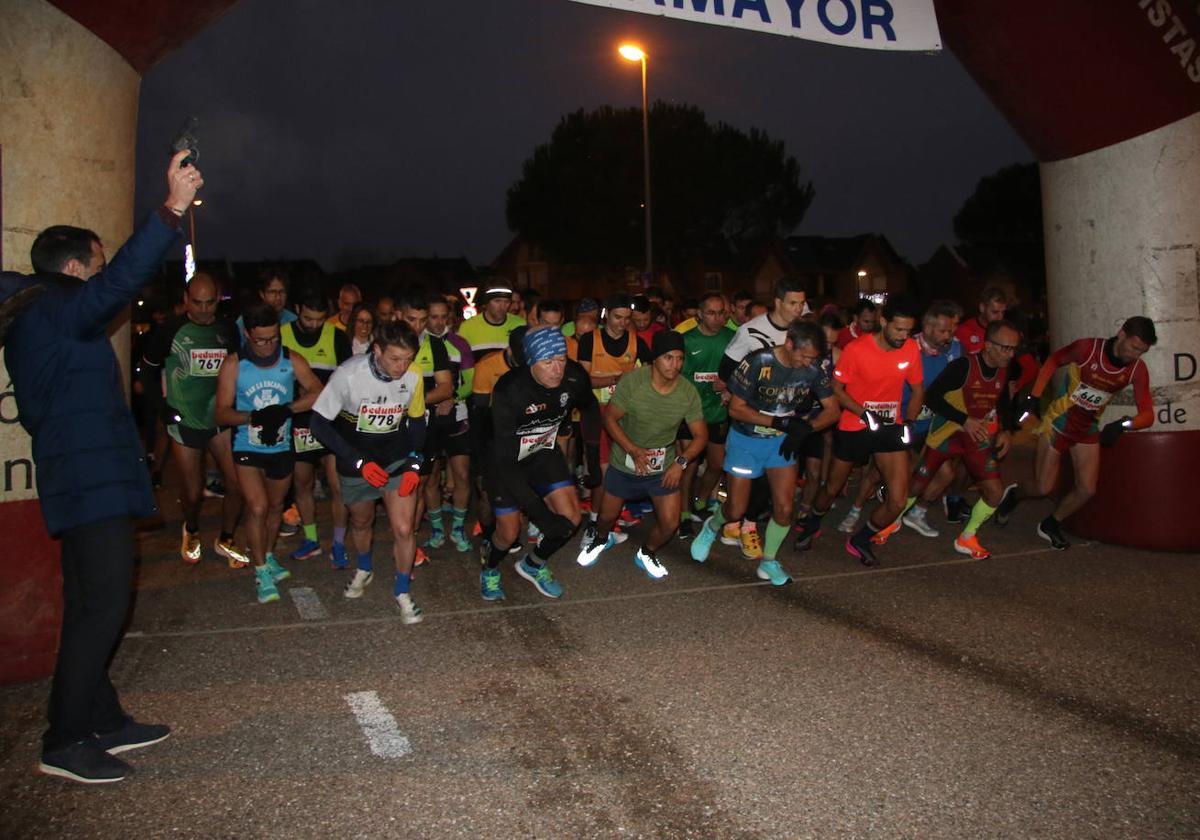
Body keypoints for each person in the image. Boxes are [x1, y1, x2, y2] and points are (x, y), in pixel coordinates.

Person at [0, 150, 198, 783]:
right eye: (98, 260)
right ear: (77, 266)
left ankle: (104, 717)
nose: (103, 272)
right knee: (104, 605)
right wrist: (170, 210)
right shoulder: (58, 307)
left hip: (86, 475)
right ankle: (63, 740)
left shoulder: (43, 315)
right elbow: (120, 283)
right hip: (89, 481)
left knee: (93, 600)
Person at [689, 320, 839, 583]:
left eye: (813, 358)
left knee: (784, 508)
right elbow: (735, 409)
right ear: (789, 343)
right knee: (735, 509)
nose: (808, 363)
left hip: (781, 444)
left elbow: (833, 410)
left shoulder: (813, 368)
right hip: (746, 440)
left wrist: (806, 429)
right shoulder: (759, 362)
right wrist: (779, 421)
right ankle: (712, 527)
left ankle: (769, 561)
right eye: (804, 356)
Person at [994, 316, 1156, 549]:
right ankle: (1014, 495)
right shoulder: (1088, 349)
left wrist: (1123, 425)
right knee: (1042, 488)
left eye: (1142, 351)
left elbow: (1148, 415)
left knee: (1087, 489)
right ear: (1121, 334)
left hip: (1087, 428)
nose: (1135, 355)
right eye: (1133, 347)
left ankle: (1051, 523)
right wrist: (1034, 396)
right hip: (1058, 422)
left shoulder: (1137, 370)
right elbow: (1052, 361)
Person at [309, 321, 428, 624]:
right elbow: (318, 424)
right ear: (377, 350)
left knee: (403, 528)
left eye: (408, 359)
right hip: (356, 460)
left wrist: (415, 462)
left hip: (395, 458)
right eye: (394, 359)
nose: (402, 367)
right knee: (362, 521)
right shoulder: (349, 375)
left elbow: (416, 422)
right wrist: (359, 461)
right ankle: (364, 567)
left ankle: (402, 591)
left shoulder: (413, 376)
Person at [793, 297, 924, 566]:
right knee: (832, 487)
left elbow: (918, 389)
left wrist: (908, 422)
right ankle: (812, 522)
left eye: (908, 331)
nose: (903, 336)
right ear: (884, 322)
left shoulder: (911, 349)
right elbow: (836, 391)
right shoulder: (856, 350)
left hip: (890, 427)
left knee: (898, 500)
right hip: (855, 425)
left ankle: (861, 539)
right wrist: (863, 412)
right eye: (899, 329)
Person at [479, 327, 601, 600]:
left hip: (542, 453)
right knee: (509, 533)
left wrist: (592, 462)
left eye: (561, 359)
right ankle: (489, 566)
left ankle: (533, 564)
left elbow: (591, 408)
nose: (557, 369)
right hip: (504, 460)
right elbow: (507, 462)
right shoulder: (509, 389)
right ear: (531, 362)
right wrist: (541, 515)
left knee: (571, 518)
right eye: (548, 362)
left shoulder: (573, 375)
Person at [214, 303, 323, 602]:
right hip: (247, 445)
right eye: (261, 340)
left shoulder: (291, 360)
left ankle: (269, 553)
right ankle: (260, 570)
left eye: (273, 338)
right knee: (258, 507)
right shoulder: (235, 364)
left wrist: (285, 410)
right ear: (248, 334)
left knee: (276, 507)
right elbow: (221, 413)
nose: (267, 346)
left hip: (280, 445)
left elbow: (318, 391)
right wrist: (253, 416)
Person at [576, 331, 707, 578]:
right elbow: (610, 419)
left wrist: (680, 463)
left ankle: (646, 553)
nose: (675, 365)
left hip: (663, 467)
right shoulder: (634, 382)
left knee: (670, 522)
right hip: (625, 464)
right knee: (605, 517)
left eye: (680, 358)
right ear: (655, 358)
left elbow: (701, 436)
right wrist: (633, 449)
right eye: (669, 358)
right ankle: (601, 539)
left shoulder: (687, 392)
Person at [141, 271, 247, 568]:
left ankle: (226, 538)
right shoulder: (170, 330)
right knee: (192, 490)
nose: (203, 309)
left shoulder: (227, 330)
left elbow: (238, 370)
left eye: (210, 303)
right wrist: (162, 409)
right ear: (186, 300)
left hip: (219, 419)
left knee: (236, 484)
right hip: (184, 419)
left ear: (218, 301)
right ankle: (192, 527)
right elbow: (146, 371)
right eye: (197, 302)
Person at [897, 319, 1018, 558]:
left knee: (995, 492)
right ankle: (893, 517)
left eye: (1014, 348)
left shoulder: (1006, 371)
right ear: (989, 345)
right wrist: (964, 420)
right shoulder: (963, 366)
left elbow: (1003, 402)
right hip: (946, 433)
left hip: (976, 438)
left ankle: (967, 537)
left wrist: (1007, 430)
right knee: (919, 483)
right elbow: (931, 397)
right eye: (1006, 348)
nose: (1010, 354)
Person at [715, 276, 809, 561]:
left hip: (786, 420)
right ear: (778, 302)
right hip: (751, 419)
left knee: (773, 484)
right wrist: (750, 396)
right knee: (749, 484)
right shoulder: (750, 331)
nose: (799, 308)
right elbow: (725, 371)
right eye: (793, 303)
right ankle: (734, 521)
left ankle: (749, 525)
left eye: (802, 303)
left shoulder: (804, 330)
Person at [279, 286, 352, 566]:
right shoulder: (282, 334)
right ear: (297, 309)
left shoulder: (335, 336)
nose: (314, 324)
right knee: (303, 483)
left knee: (337, 486)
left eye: (320, 319)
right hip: (296, 420)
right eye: (308, 318)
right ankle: (311, 539)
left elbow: (348, 379)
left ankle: (337, 542)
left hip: (330, 421)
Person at [577, 295, 653, 526]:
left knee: (621, 468)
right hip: (595, 413)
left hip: (624, 414)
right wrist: (619, 378)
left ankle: (612, 515)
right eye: (617, 317)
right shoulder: (590, 340)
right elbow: (583, 381)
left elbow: (649, 375)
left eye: (627, 318)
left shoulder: (636, 342)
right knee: (603, 470)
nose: (622, 323)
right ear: (606, 315)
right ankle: (595, 519)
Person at [677, 293, 734, 538]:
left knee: (717, 464)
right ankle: (683, 514)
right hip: (690, 413)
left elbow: (741, 372)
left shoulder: (732, 338)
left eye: (721, 312)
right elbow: (676, 376)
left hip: (719, 412)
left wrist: (729, 388)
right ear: (700, 314)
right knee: (687, 465)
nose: (717, 317)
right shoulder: (686, 340)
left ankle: (700, 501)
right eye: (711, 312)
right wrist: (709, 383)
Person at [423, 294, 476, 552]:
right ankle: (436, 529)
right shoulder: (418, 343)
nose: (439, 321)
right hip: (426, 419)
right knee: (430, 477)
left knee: (462, 474)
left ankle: (457, 527)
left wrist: (453, 397)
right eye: (433, 316)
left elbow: (469, 381)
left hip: (457, 415)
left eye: (444, 316)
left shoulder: (459, 344)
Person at [235, 268, 297, 339]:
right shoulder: (245, 321)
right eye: (272, 292)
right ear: (262, 294)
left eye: (282, 292)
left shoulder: (294, 320)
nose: (278, 297)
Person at [955, 286, 1008, 354]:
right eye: (995, 312)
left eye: (1003, 312)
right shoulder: (963, 331)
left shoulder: (1007, 331)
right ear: (982, 307)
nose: (1000, 317)